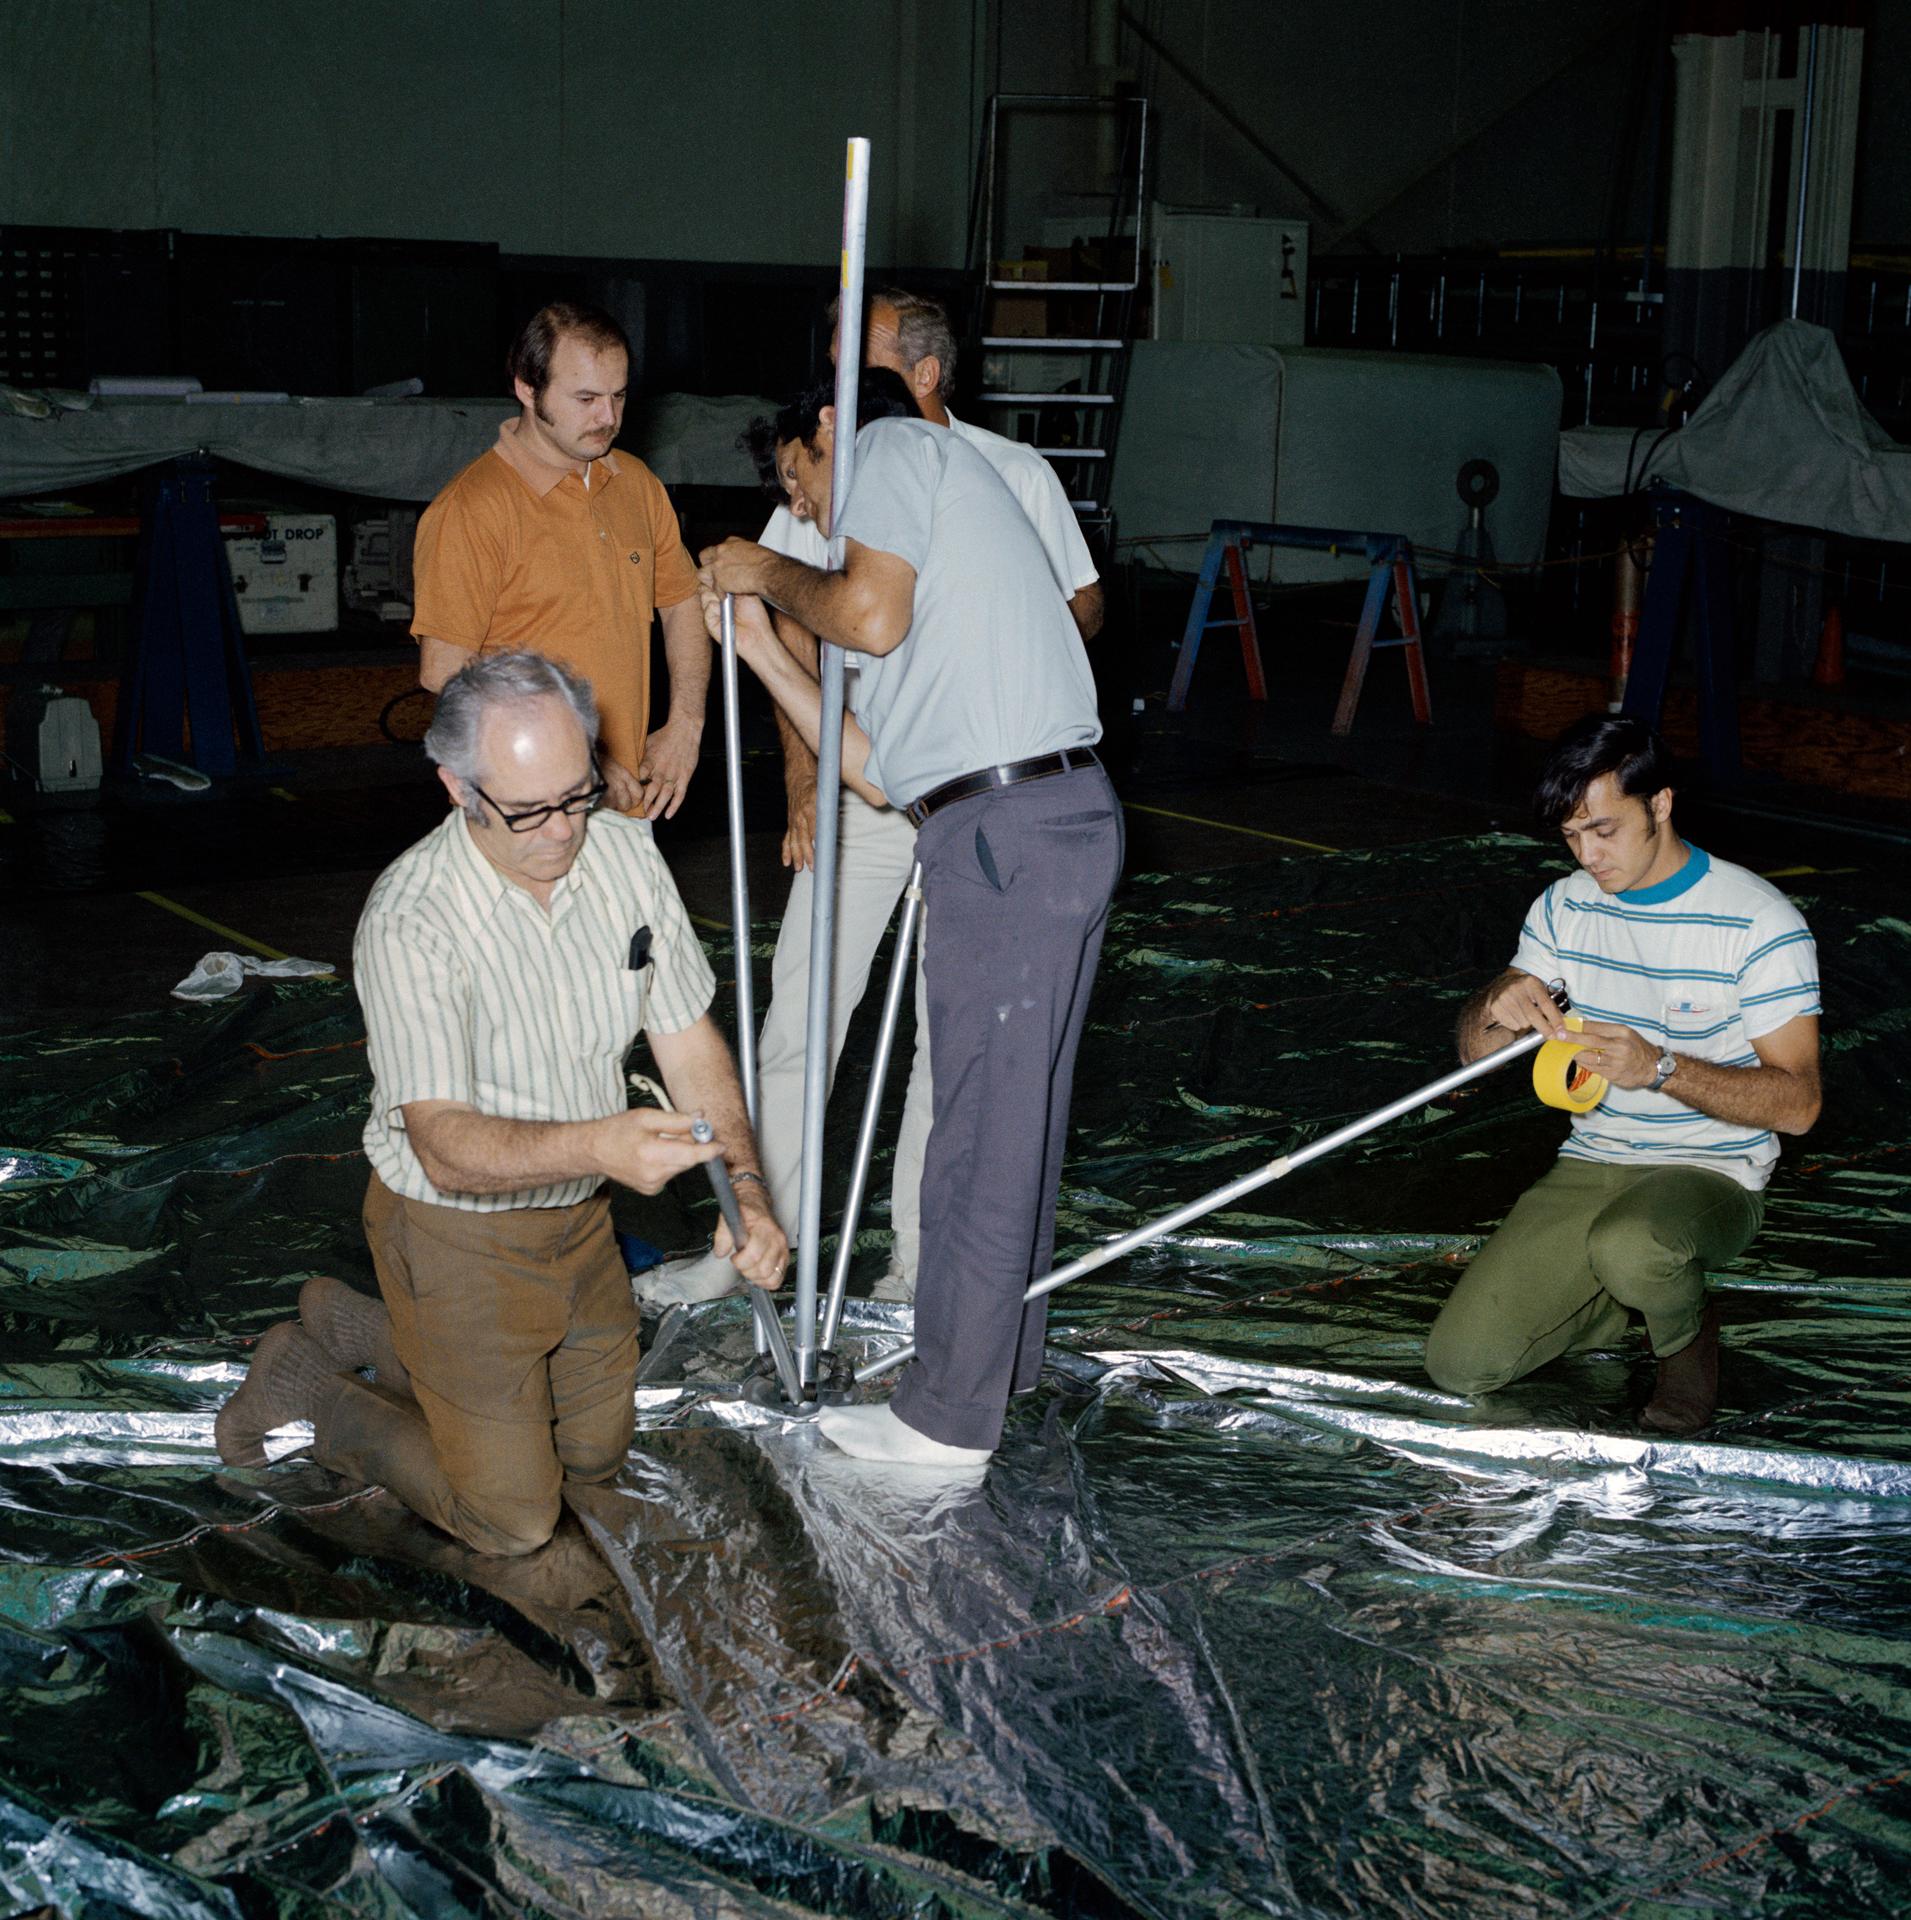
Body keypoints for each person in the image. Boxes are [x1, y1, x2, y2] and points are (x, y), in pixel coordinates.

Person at [215, 651, 787, 1553]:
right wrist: (602, 1147)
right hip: (451, 1227)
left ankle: (367, 1323)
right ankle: (310, 1383)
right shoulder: (413, 919)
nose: (562, 831)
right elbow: (443, 1146)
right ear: (458, 788)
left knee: (591, 1459)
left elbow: (686, 1037)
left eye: (577, 794)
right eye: (528, 810)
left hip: (576, 1224)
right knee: (515, 1518)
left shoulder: (625, 853)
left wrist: (746, 1189)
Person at [697, 370, 1122, 1469]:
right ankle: (997, 1367)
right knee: (1011, 1120)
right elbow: (878, 776)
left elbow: (867, 618)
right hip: (1036, 815)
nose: (806, 511)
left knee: (973, 1135)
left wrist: (761, 570)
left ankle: (942, 1419)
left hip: (1008, 827)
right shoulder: (925, 541)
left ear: (831, 423)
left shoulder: (891, 456)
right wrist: (756, 647)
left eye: (800, 479)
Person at [649, 288, 1101, 1309]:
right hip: (871, 773)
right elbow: (785, 614)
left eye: (870, 357)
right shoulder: (829, 475)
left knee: (950, 1043)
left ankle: (915, 1265)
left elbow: (1054, 606)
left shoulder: (992, 469)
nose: (801, 506)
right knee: (804, 1011)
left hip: (979, 785)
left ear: (927, 374)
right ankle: (754, 1238)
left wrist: (1004, 678)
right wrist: (805, 783)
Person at [1425, 715, 1821, 1432]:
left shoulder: (1759, 923)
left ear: (1660, 804)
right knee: (1460, 1367)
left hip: (1712, 1170)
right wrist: (1497, 1003)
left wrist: (1660, 1068)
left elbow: (1797, 1106)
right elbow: (1472, 1055)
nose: (1587, 855)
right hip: (1596, 1158)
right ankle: (1612, 1300)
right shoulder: (1564, 905)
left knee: (1633, 1242)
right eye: (1570, 836)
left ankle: (1685, 1342)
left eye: (1603, 830)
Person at [411, 302, 709, 823]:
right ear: (527, 389)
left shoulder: (636, 484)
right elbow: (445, 674)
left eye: (618, 396)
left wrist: (686, 722)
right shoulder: (472, 509)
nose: (608, 418)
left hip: (626, 805)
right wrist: (582, 759)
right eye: (586, 399)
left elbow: (682, 602)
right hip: (526, 813)